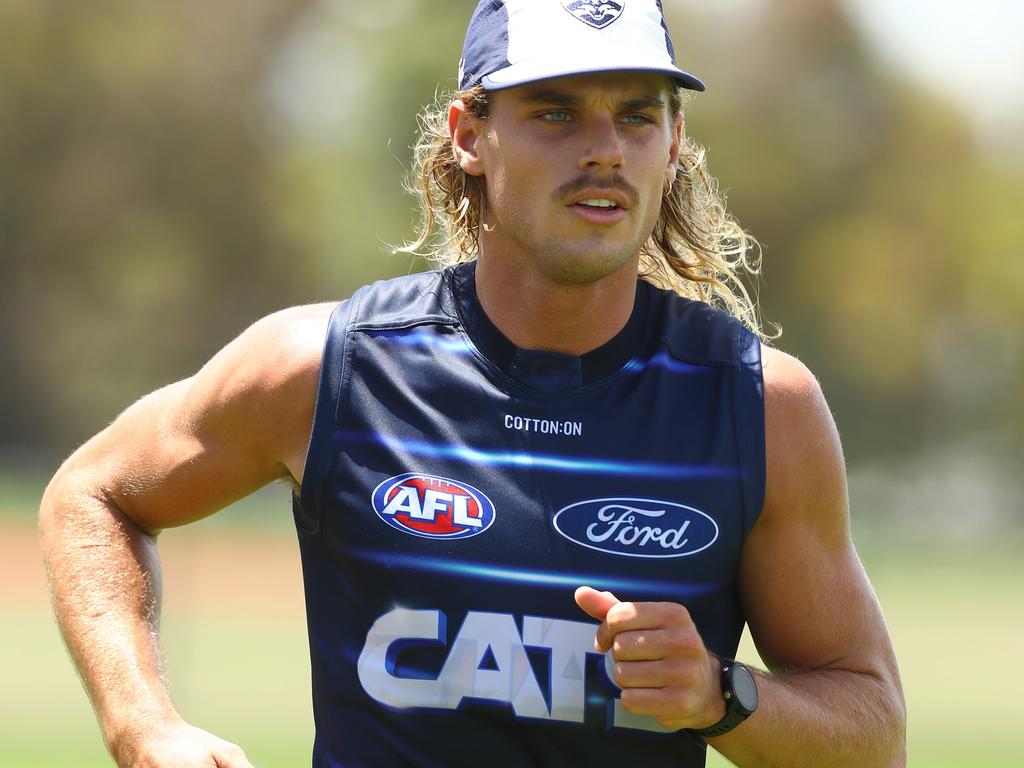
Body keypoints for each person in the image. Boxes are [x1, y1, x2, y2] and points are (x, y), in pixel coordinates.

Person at [39, 1, 906, 766]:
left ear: (674, 143)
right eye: (556, 113)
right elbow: (94, 493)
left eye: (638, 116)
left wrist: (724, 697)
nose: (605, 149)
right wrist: (141, 723)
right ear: (468, 134)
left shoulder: (759, 408)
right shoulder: (326, 368)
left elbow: (873, 735)